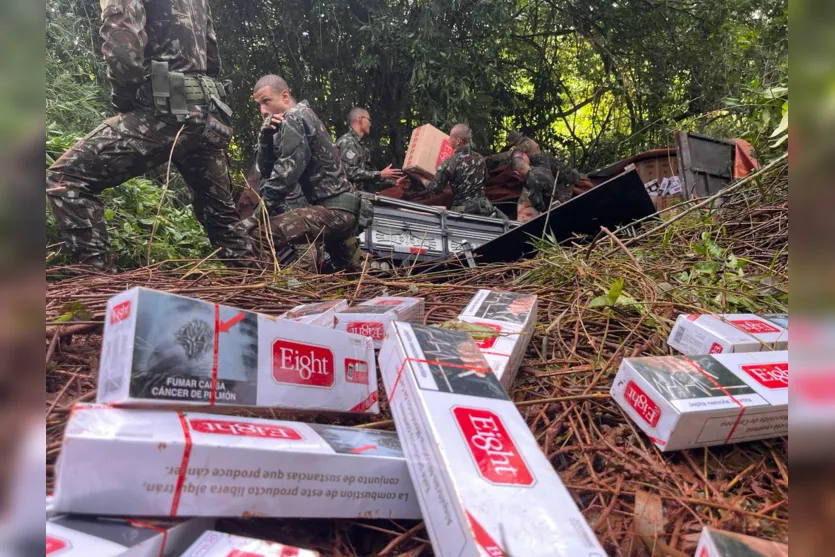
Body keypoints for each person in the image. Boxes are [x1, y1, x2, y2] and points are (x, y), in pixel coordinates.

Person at [46, 0, 255, 270]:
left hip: (163, 113)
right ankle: (258, 287)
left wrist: (125, 102)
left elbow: (123, 47)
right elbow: (212, 57)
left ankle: (96, 286)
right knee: (224, 219)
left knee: (65, 179)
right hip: (206, 116)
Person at [252, 74, 364, 272]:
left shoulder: (294, 117)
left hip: (332, 212)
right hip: (342, 211)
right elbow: (268, 172)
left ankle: (272, 294)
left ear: (285, 96)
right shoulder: (304, 115)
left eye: (266, 101)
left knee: (260, 235)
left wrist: (255, 217)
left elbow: (284, 176)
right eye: (259, 105)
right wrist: (265, 139)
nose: (263, 110)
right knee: (352, 279)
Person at [414, 124, 499, 217]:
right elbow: (485, 180)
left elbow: (434, 189)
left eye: (451, 138)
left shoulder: (449, 163)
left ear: (458, 141)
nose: (449, 140)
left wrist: (420, 177)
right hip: (483, 209)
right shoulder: (480, 158)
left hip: (463, 213)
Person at [335, 108, 404, 193]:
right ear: (359, 119)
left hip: (359, 196)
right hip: (346, 197)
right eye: (369, 120)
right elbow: (350, 172)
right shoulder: (347, 142)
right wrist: (380, 174)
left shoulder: (362, 147)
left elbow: (369, 177)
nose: (370, 124)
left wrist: (393, 182)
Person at [510, 150, 571, 223]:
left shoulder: (530, 180)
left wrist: (531, 201)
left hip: (554, 209)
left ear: (516, 172)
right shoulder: (541, 169)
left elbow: (540, 206)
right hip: (561, 200)